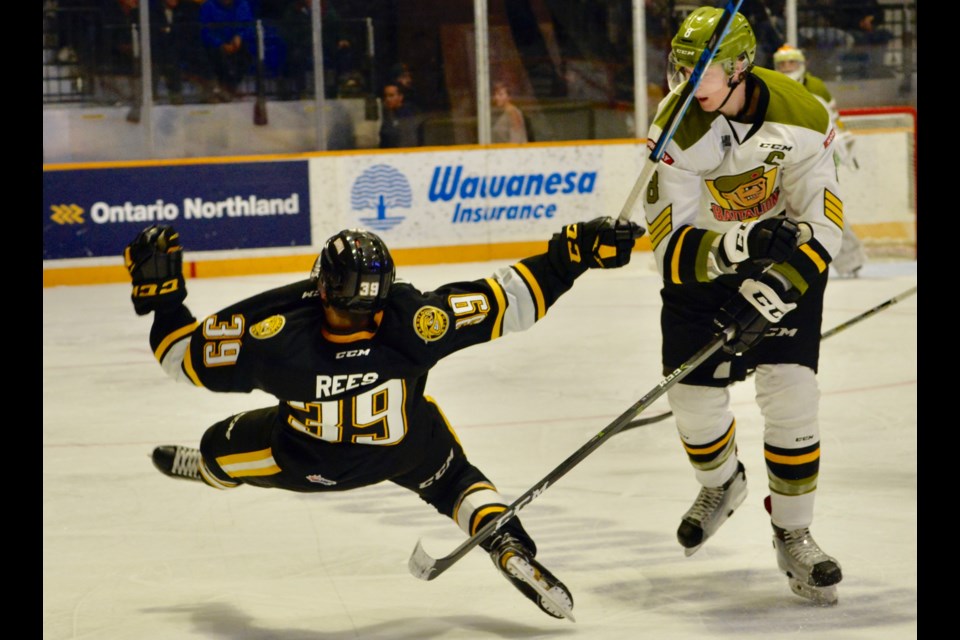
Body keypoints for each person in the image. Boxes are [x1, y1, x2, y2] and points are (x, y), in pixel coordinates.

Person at [122, 218, 643, 620]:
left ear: (324, 287)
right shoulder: (419, 323)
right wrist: (573, 254)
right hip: (405, 446)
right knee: (455, 480)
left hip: (308, 460)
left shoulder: (274, 341)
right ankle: (502, 541)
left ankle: (210, 470)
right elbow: (510, 299)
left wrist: (162, 298)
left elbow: (180, 357)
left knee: (219, 446)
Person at [642, 7, 845, 605]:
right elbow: (669, 250)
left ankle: (795, 533)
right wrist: (742, 242)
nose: (687, 81)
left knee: (791, 393)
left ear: (739, 67)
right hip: (706, 264)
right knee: (693, 400)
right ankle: (721, 484)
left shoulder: (804, 115)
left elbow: (825, 223)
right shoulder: (675, 127)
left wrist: (782, 281)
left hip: (782, 259)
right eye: (681, 67)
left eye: (700, 70)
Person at [773, 44, 867, 278]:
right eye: (782, 64)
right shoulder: (772, 85)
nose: (787, 68)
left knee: (822, 207)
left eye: (791, 63)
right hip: (782, 157)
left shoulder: (815, 88)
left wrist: (845, 144)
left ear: (802, 64)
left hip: (816, 158)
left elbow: (834, 120)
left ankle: (850, 259)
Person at [199, 0, 256, 101]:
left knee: (247, 57)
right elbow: (205, 32)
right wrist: (220, 44)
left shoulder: (242, 4)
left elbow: (248, 26)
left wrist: (239, 36)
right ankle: (218, 89)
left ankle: (229, 88)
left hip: (237, 44)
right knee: (214, 57)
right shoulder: (208, 6)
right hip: (215, 46)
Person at [379, 82, 423, 148]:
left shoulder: (409, 115)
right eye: (385, 96)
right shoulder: (387, 115)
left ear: (400, 97)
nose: (387, 99)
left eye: (391, 96)